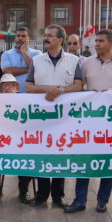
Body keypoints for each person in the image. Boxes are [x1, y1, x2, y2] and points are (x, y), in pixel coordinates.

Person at [66, 29, 112, 213]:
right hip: (89, 119)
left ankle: (103, 200)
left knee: (107, 160)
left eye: (101, 41)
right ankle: (80, 200)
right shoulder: (86, 63)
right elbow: (80, 88)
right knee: (84, 160)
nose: (97, 44)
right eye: (96, 41)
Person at [26, 24, 83, 207]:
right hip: (41, 117)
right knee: (41, 154)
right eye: (45, 35)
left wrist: (59, 90)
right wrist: (46, 89)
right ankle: (42, 195)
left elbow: (78, 85)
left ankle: (58, 196)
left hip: (65, 118)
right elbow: (29, 86)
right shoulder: (36, 61)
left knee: (61, 154)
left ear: (60, 39)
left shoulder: (74, 60)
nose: (46, 38)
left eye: (50, 35)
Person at [0, 74, 31, 201]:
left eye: (10, 85)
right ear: (0, 89)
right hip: (0, 142)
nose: (7, 89)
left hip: (21, 142)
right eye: (4, 86)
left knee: (28, 156)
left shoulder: (25, 100)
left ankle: (23, 191)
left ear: (16, 87)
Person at [0, 26, 41, 93]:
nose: (20, 38)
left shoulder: (37, 53)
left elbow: (38, 69)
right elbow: (8, 71)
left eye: (23, 36)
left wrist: (23, 52)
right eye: (18, 36)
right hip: (13, 93)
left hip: (32, 93)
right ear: (15, 38)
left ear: (29, 38)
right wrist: (29, 69)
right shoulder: (6, 54)